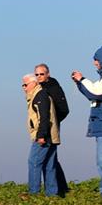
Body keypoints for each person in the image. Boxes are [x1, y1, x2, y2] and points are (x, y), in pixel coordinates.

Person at [72, 44, 102, 199]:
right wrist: (80, 84)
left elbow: (96, 92)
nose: (94, 63)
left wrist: (82, 79)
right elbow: (93, 92)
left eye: (96, 59)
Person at [35, 63, 69, 196]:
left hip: (51, 128)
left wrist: (54, 122)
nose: (39, 77)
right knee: (50, 159)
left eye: (41, 74)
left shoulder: (55, 88)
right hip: (41, 127)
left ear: (48, 74)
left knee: (44, 159)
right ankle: (60, 188)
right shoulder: (37, 88)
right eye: (36, 74)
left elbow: (64, 109)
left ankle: (57, 188)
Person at [22, 73, 59, 196]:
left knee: (33, 162)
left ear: (34, 83)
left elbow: (44, 117)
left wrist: (41, 135)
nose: (24, 87)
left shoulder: (40, 96)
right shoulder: (37, 95)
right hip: (50, 136)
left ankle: (34, 193)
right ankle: (52, 194)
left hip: (43, 136)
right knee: (49, 165)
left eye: (25, 84)